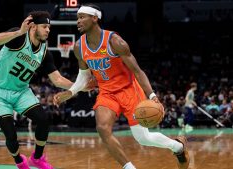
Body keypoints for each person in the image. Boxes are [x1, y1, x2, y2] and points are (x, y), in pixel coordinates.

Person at [53, 4, 190, 169]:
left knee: (143, 138)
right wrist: (71, 91)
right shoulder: (78, 47)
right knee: (102, 128)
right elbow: (84, 75)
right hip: (107, 92)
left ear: (95, 18)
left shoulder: (114, 41)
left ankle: (178, 147)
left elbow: (138, 72)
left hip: (129, 90)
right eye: (77, 18)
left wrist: (153, 97)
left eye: (82, 17)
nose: (78, 21)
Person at [0, 11, 74, 169]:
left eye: (49, 27)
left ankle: (37, 158)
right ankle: (19, 161)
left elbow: (58, 80)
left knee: (43, 120)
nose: (48, 30)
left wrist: (80, 85)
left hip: (20, 91)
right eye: (45, 26)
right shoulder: (18, 37)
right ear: (33, 26)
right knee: (11, 133)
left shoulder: (44, 52)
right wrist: (19, 31)